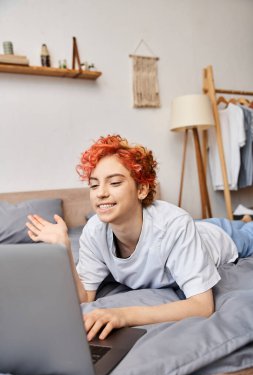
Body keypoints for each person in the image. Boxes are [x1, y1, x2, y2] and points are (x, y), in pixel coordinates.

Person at [26, 134, 253, 342]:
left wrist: (124, 315)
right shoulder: (94, 231)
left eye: (114, 182)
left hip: (218, 237)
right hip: (193, 230)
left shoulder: (175, 225)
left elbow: (202, 306)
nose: (101, 192)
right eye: (94, 185)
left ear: (142, 190)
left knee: (246, 230)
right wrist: (64, 249)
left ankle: (244, 221)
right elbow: (85, 297)